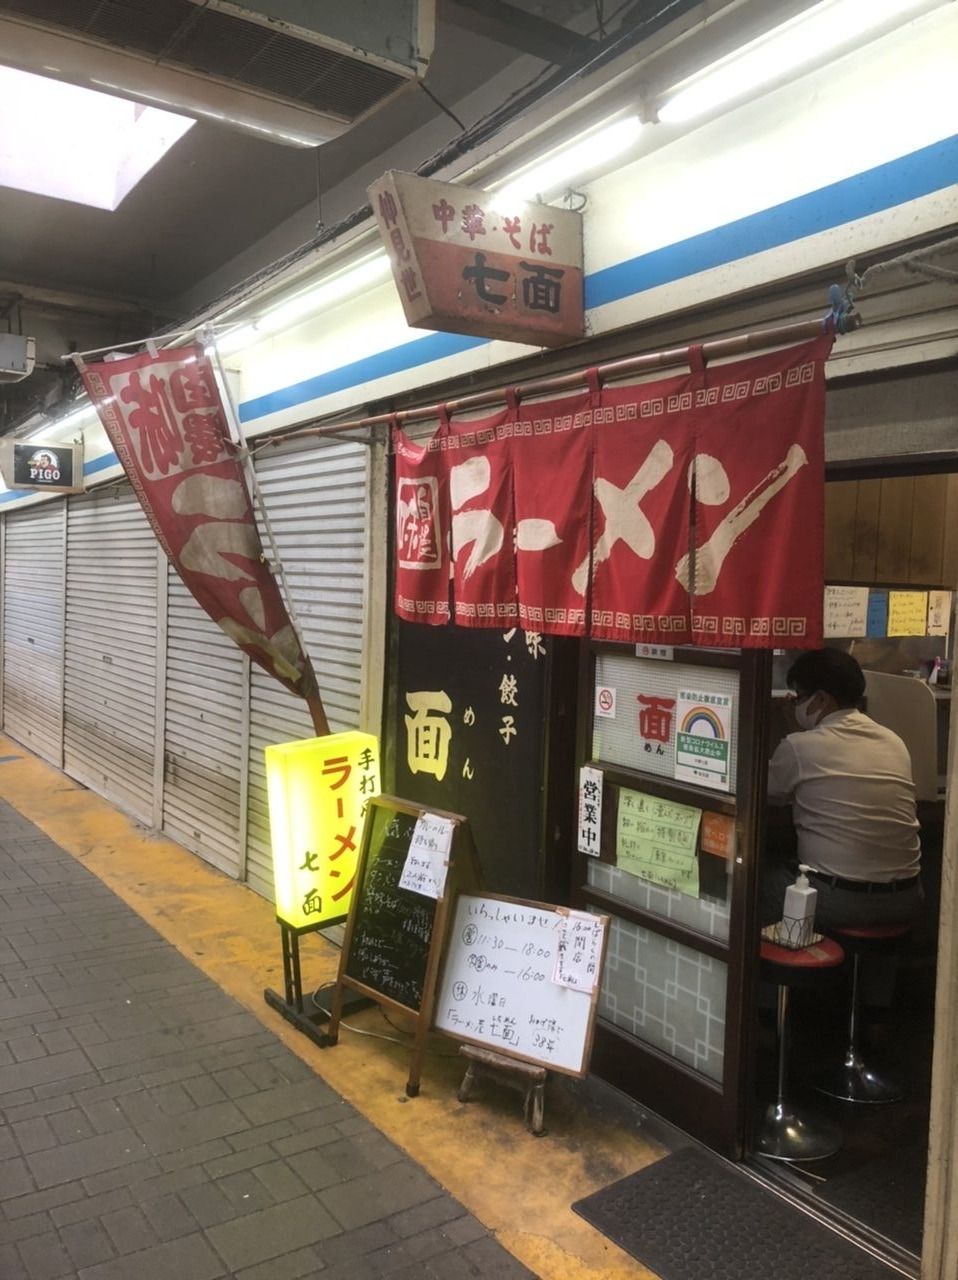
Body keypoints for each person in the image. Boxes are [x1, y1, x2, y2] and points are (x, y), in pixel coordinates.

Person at [765, 648, 923, 933]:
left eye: (799, 697)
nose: (796, 705)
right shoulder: (893, 741)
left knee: (754, 885)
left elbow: (763, 792)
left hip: (840, 901)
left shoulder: (799, 748)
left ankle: (778, 976)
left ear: (822, 699)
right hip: (907, 898)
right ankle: (870, 978)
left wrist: (792, 733)